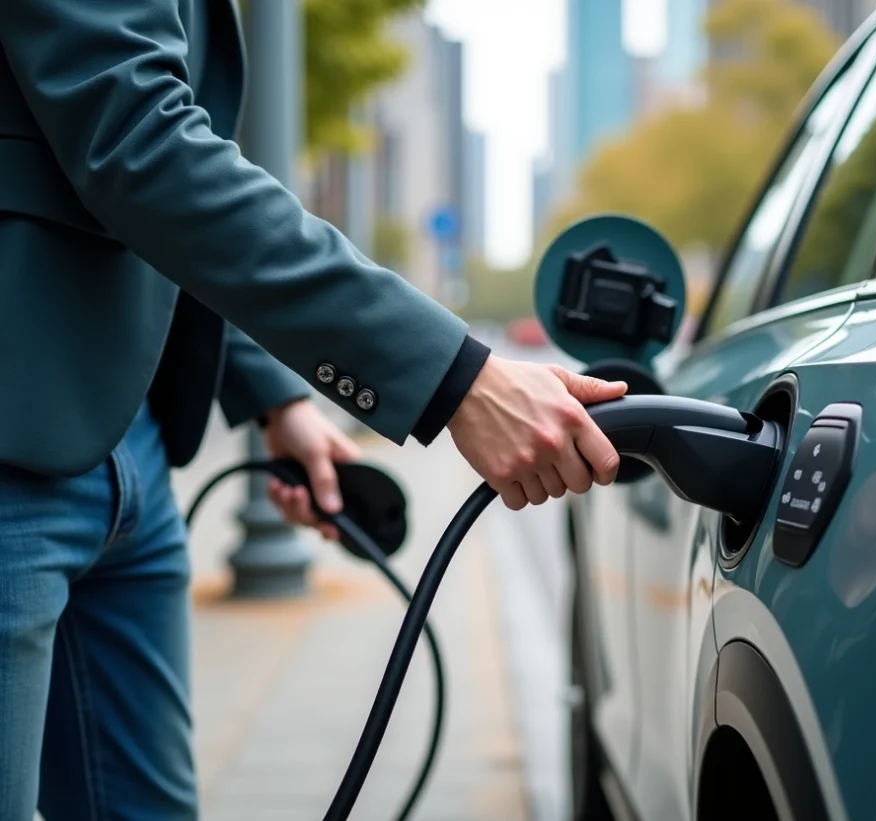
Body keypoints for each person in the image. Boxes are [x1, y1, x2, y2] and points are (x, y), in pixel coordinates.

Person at [0, 0, 626, 818]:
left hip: (131, 444)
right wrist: (455, 378)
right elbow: (139, 143)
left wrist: (271, 396)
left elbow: (146, 199)